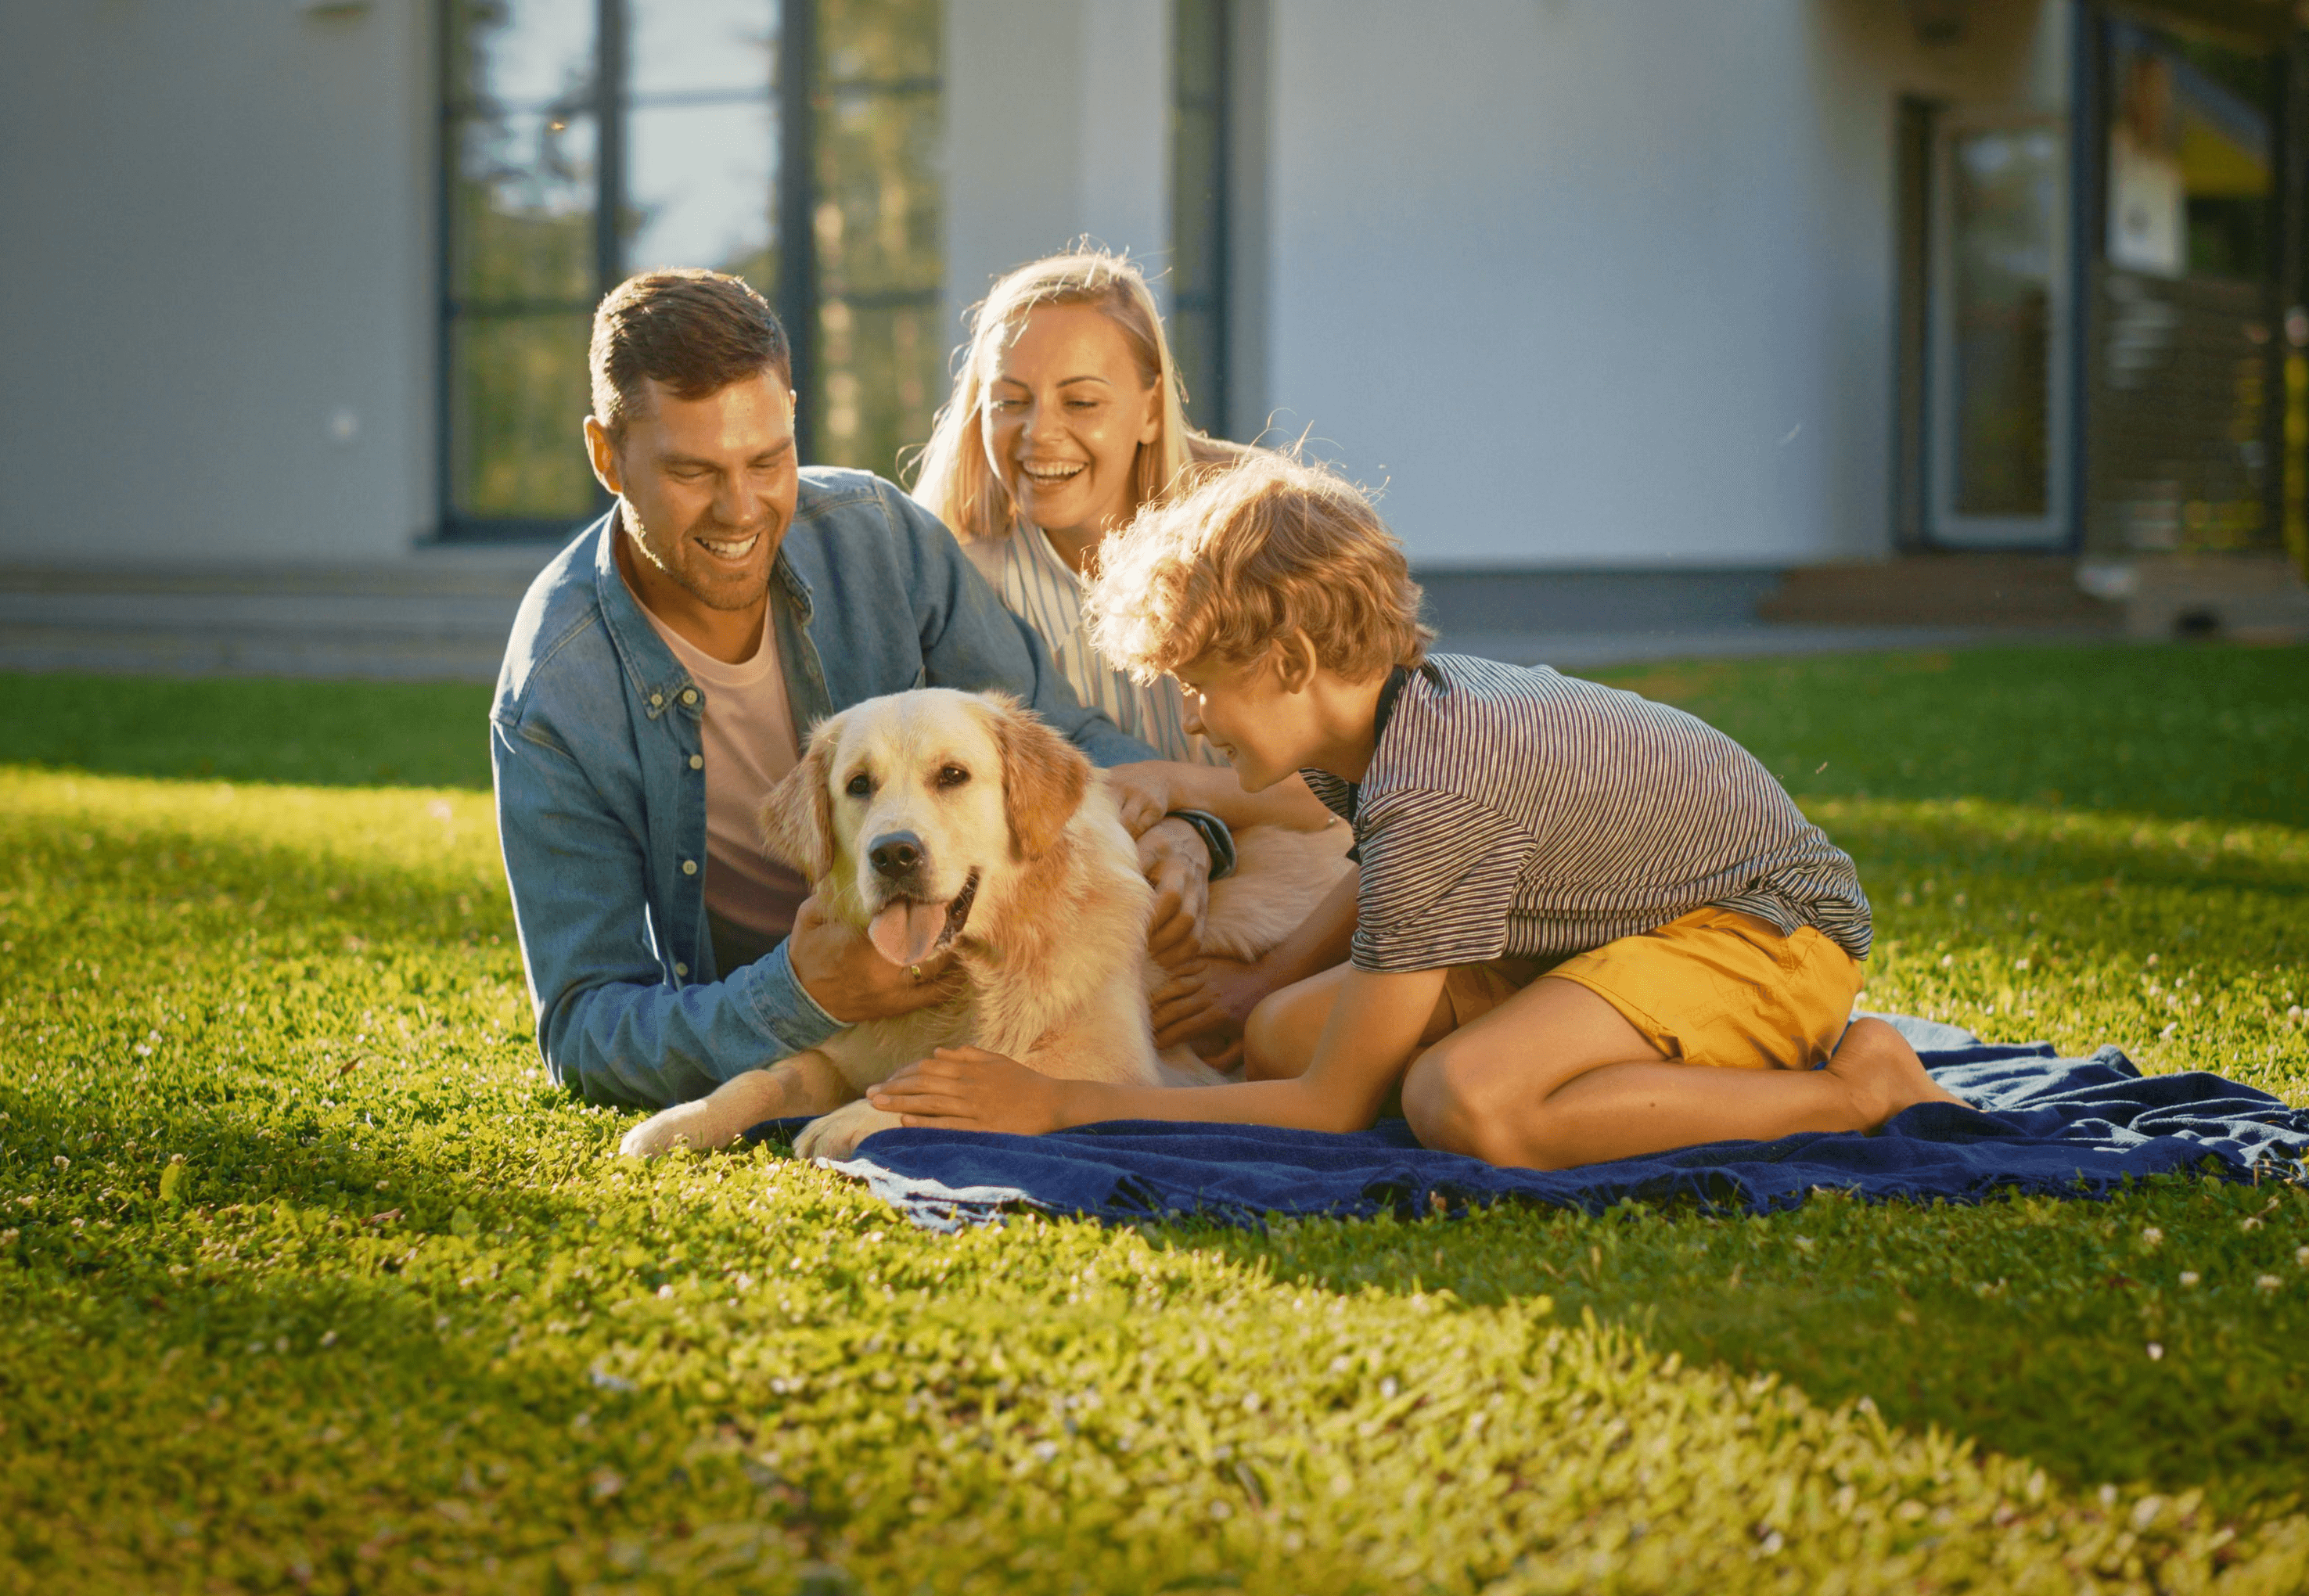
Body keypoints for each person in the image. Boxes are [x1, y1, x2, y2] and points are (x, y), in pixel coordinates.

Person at [866, 451, 1966, 1170]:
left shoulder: (1440, 781)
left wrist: (1055, 1107)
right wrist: (1267, 977)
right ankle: (1619, 1061)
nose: (1194, 722)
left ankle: (1851, 1092)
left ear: (1292, 660)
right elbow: (1384, 877)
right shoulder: (1392, 724)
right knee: (1282, 1031)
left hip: (1763, 937)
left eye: (1203, 684)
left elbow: (1333, 1113)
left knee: (1466, 1105)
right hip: (1626, 929)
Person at [491, 268, 1210, 1112]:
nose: (741, 509)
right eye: (693, 472)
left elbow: (1061, 735)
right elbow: (585, 1027)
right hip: (788, 1020)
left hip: (979, 968)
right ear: (607, 457)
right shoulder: (556, 689)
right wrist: (804, 994)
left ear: (794, 417)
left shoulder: (876, 535)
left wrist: (1193, 827)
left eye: (768, 459)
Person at [912, 249, 1347, 1050]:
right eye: (1008, 401)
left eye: (1082, 400)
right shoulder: (957, 578)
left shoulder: (1257, 535)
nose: (1040, 434)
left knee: (1294, 1037)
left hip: (1299, 895)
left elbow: (1350, 783)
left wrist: (1186, 799)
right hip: (1090, 915)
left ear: (1151, 409)